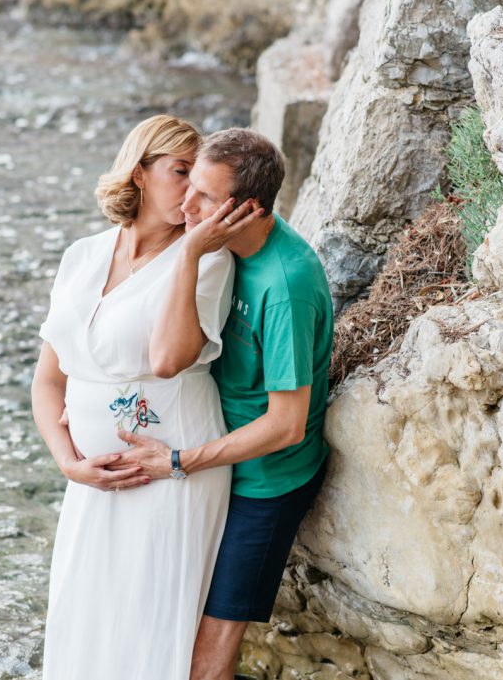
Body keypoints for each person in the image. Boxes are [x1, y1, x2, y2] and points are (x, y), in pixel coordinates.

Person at [30, 115, 265, 680]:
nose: (190, 193)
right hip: (91, 481)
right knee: (85, 621)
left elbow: (169, 359)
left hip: (169, 472)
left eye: (201, 180)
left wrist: (187, 255)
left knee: (153, 628)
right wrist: (69, 463)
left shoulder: (208, 261)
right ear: (140, 171)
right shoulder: (81, 255)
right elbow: (47, 379)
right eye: (179, 172)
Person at [105, 128, 334, 680]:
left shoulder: (285, 285)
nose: (186, 205)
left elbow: (286, 425)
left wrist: (179, 461)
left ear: (247, 208)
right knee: (160, 622)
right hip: (213, 460)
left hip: (263, 483)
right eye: (188, 185)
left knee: (203, 661)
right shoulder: (219, 251)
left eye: (204, 197)